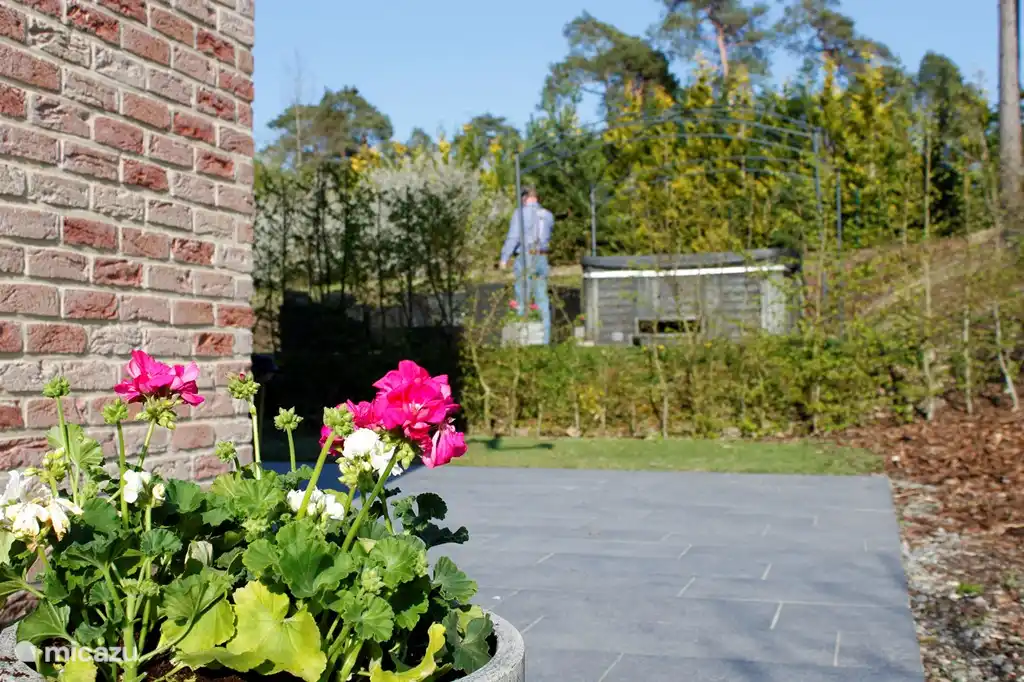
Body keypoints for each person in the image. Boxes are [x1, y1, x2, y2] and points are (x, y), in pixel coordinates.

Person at [499, 187, 554, 344]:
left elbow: (514, 236)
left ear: (524, 198)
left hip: (526, 256)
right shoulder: (548, 215)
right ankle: (544, 340)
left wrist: (504, 258)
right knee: (542, 298)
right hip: (542, 256)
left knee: (522, 297)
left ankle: (523, 339)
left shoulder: (520, 213)